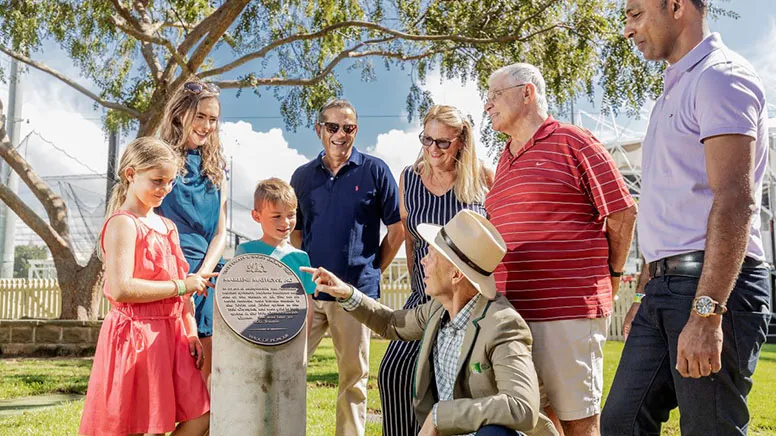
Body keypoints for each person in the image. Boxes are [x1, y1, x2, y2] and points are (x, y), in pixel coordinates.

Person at [601, 1, 772, 434]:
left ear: (676, 6)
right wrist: (645, 291)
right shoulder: (672, 91)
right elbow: (670, 204)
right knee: (622, 421)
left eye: (636, 14)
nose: (628, 29)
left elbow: (735, 200)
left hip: (711, 288)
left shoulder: (720, 76)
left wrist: (707, 312)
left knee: (708, 428)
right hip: (663, 288)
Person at [301, 210, 558, 436]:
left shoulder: (503, 325)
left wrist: (440, 416)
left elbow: (521, 406)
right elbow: (391, 323)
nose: (423, 261)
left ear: (457, 273)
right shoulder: (438, 309)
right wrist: (346, 292)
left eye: (433, 255)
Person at [483, 63, 637, 436]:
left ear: (527, 93)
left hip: (567, 308)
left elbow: (622, 212)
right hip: (516, 313)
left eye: (494, 95)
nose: (487, 105)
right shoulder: (504, 159)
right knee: (540, 419)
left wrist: (612, 276)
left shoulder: (574, 140)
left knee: (577, 420)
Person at [79, 137, 213, 436]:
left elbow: (186, 291)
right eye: (157, 181)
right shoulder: (123, 224)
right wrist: (180, 286)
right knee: (138, 425)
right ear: (130, 174)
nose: (164, 189)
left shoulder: (168, 226)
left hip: (173, 335)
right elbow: (122, 287)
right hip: (135, 335)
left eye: (170, 182)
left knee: (202, 414)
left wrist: (190, 329)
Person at [290, 98, 405, 436]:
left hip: (355, 295)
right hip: (310, 293)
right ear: (319, 130)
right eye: (333, 127)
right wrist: (311, 271)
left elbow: (397, 231)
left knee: (353, 378)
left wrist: (371, 271)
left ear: (356, 130)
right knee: (286, 367)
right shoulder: (302, 177)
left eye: (349, 128)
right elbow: (296, 234)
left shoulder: (375, 170)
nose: (341, 134)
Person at [379, 105, 492, 436]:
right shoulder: (409, 178)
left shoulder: (482, 177)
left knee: (455, 382)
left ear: (461, 142)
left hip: (468, 298)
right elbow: (411, 238)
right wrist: (419, 282)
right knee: (394, 372)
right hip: (425, 292)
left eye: (443, 143)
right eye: (427, 140)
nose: (433, 150)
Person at [157, 81, 227, 388]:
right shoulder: (158, 157)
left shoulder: (217, 167)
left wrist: (202, 276)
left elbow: (221, 232)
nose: (207, 126)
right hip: (165, 276)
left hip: (206, 280)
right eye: (200, 116)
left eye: (213, 119)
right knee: (166, 383)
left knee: (204, 385)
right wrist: (180, 281)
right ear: (179, 113)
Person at [235, 177, 316, 331]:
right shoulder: (245, 252)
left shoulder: (301, 258)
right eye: (276, 216)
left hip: (290, 335)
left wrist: (303, 339)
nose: (285, 222)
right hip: (253, 333)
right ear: (256, 216)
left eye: (291, 215)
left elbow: (308, 304)